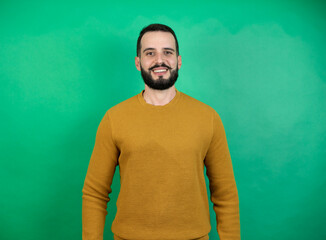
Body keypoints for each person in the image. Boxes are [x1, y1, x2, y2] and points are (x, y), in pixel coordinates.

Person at [82, 23, 240, 240]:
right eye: (150, 53)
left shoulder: (208, 117)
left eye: (167, 52)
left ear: (179, 60)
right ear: (138, 63)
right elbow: (94, 193)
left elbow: (225, 194)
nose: (160, 60)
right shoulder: (114, 118)